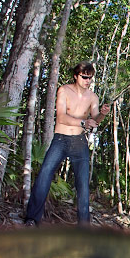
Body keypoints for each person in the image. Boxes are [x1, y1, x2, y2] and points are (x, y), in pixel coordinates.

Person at [24, 61, 111, 226]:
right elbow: (62, 117)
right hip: (60, 139)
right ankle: (32, 219)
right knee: (44, 175)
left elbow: (95, 120)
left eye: (90, 78)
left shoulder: (93, 97)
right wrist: (83, 123)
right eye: (84, 77)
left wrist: (102, 114)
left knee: (83, 184)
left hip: (79, 142)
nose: (87, 81)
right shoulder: (64, 90)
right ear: (76, 76)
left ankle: (84, 226)